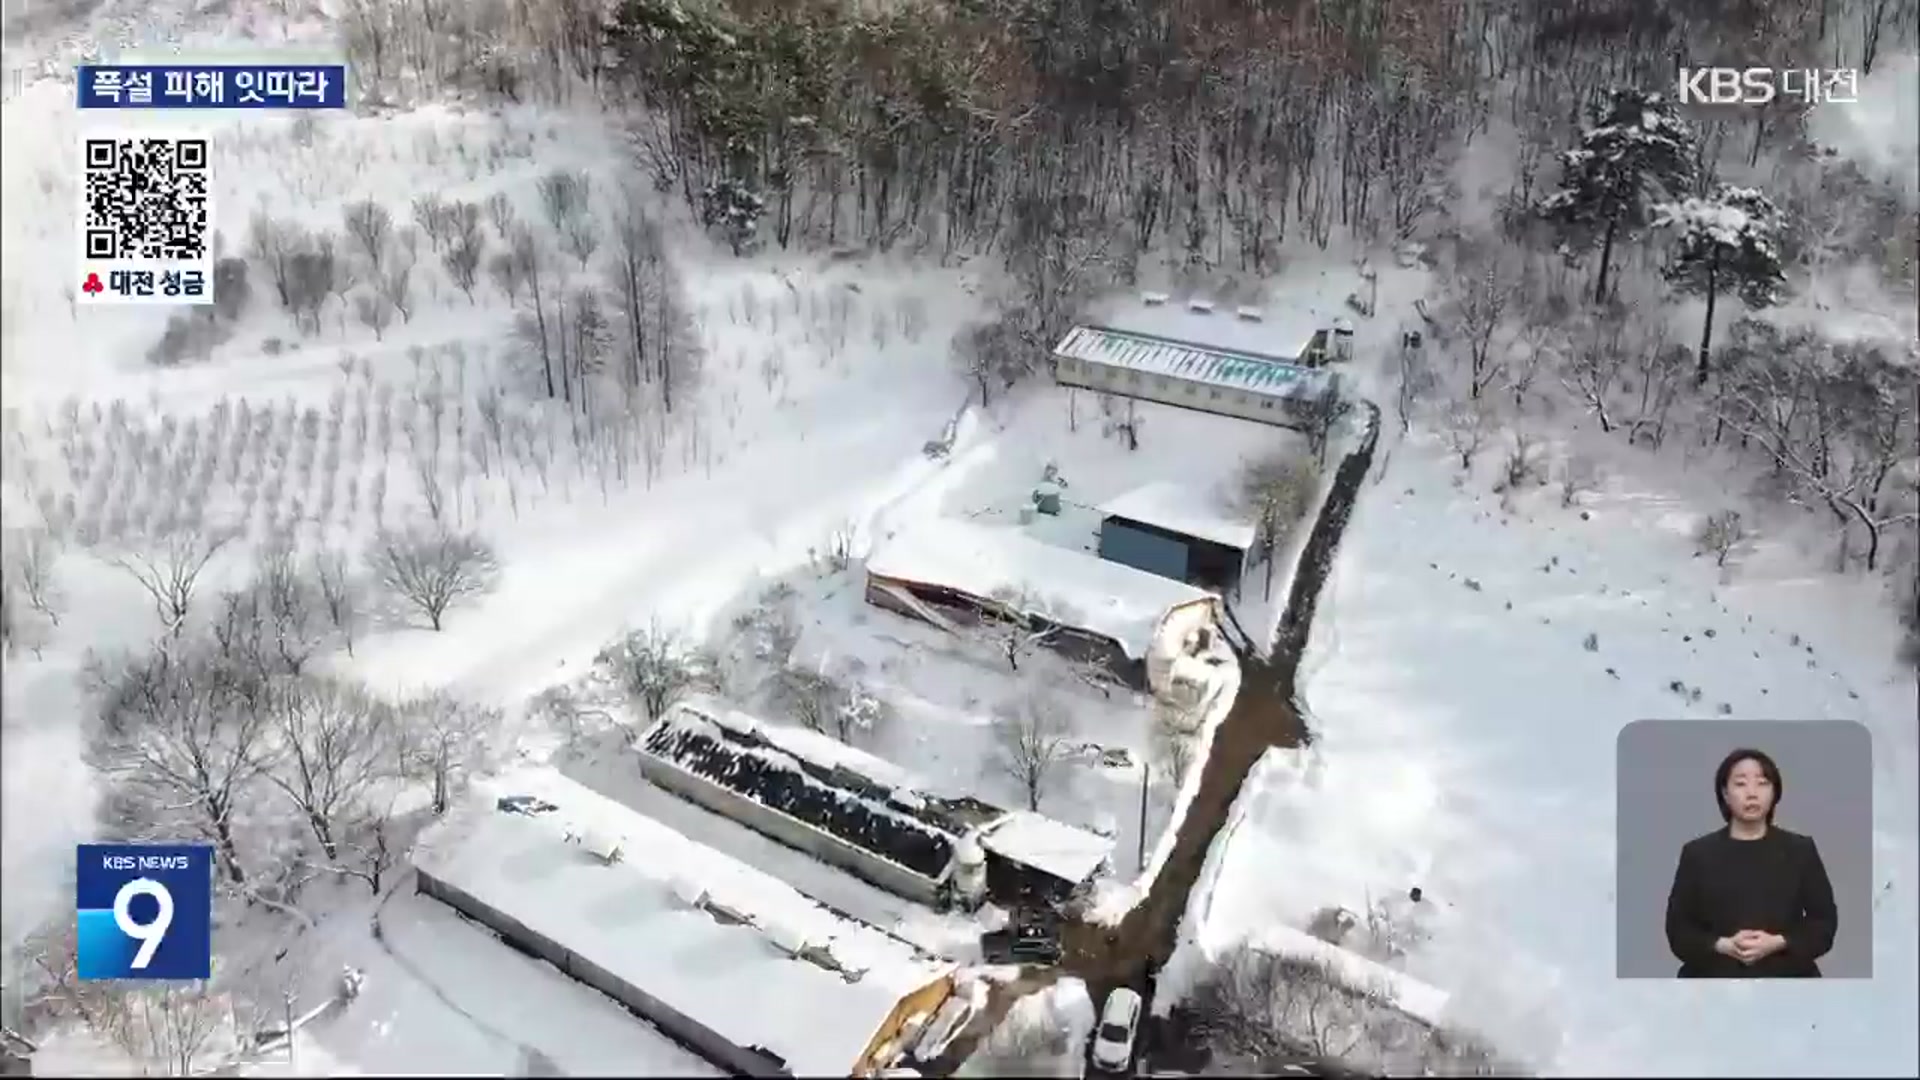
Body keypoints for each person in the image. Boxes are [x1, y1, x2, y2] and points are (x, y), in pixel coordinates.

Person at [1664, 747, 1838, 977]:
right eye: (1740, 784)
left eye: (1762, 783)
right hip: (1712, 981)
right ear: (1725, 794)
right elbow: (1678, 929)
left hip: (1789, 981)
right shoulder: (1697, 854)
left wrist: (1778, 942)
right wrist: (1723, 945)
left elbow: (1823, 923)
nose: (1752, 793)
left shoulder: (1800, 851)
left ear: (1775, 792)